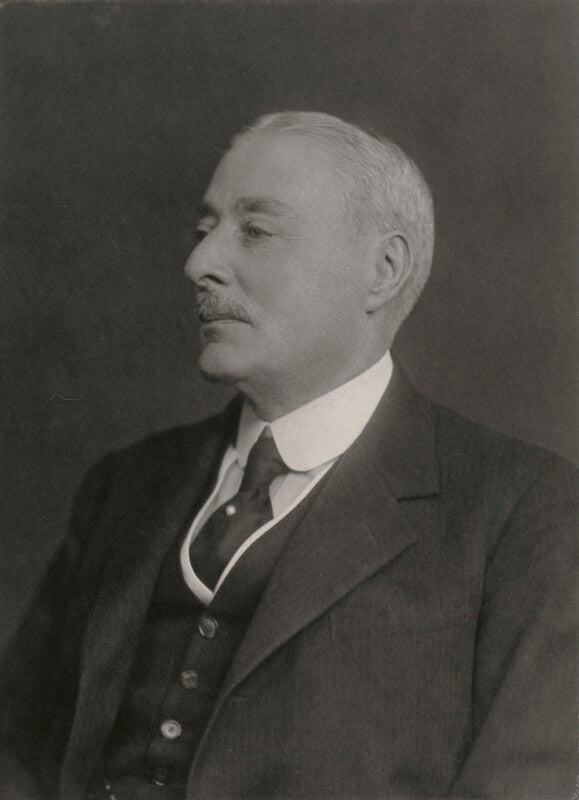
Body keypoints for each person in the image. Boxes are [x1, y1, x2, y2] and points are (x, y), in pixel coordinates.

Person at [0, 111, 576, 800]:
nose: (199, 264)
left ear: (383, 270)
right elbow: (16, 747)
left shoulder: (522, 509)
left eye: (256, 231)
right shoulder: (127, 484)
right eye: (204, 230)